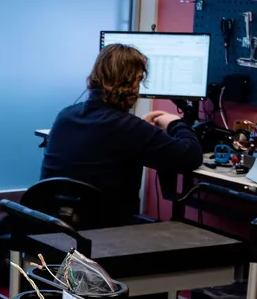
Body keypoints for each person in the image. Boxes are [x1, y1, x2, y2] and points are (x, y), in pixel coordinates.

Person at [40, 42, 204, 221]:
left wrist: (142, 128)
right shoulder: (128, 128)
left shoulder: (65, 116)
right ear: (132, 84)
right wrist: (174, 123)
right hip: (107, 229)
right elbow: (191, 156)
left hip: (54, 225)